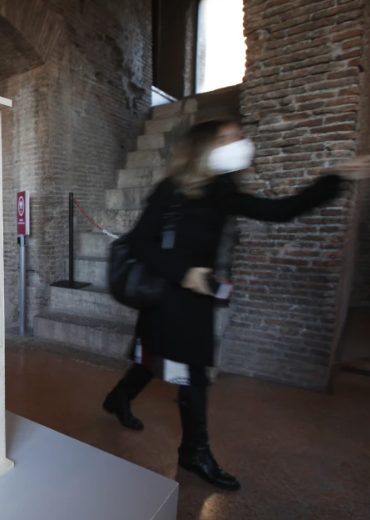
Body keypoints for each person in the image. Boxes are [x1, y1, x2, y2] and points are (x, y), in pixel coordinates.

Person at [102, 119, 370, 491]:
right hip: (167, 295)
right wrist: (183, 273)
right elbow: (141, 243)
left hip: (196, 297)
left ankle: (118, 397)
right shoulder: (173, 190)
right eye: (230, 137)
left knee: (158, 357)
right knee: (191, 372)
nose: (242, 142)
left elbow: (282, 211)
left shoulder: (223, 191)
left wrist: (335, 178)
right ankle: (194, 451)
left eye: (239, 137)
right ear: (204, 147)